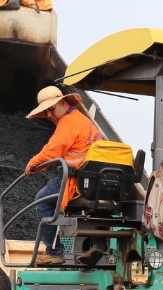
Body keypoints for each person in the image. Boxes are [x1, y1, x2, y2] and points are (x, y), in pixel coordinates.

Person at [24, 85, 103, 265]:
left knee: (43, 201)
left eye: (51, 109)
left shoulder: (67, 123)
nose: (49, 115)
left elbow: (52, 152)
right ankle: (98, 244)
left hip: (75, 180)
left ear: (62, 102)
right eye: (45, 113)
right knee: (96, 209)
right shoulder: (85, 121)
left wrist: (32, 164)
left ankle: (54, 251)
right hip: (96, 182)